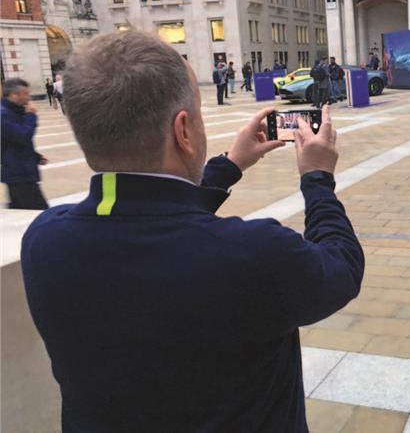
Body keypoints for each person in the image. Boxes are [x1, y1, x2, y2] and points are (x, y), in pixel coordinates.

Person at [21, 30, 364, 432]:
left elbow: (148, 212)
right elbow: (341, 267)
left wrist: (229, 164)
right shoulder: (253, 254)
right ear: (184, 131)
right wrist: (317, 178)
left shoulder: (45, 242)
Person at [1, 78, 49, 209]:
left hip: (20, 171)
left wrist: (36, 157)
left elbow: (14, 142)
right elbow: (22, 136)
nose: (29, 97)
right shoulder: (3, 115)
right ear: (13, 95)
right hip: (18, 174)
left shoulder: (14, 111)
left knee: (21, 210)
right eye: (26, 94)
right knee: (39, 211)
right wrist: (31, 116)